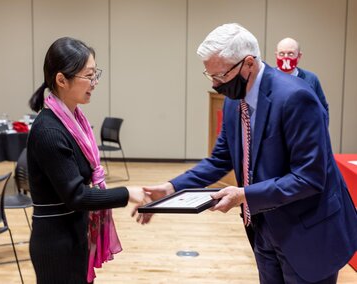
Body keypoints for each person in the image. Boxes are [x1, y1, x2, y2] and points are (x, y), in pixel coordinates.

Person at [136, 24, 357, 283]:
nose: (216, 84)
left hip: (308, 231)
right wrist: (172, 187)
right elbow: (220, 159)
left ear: (248, 63)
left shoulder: (296, 98)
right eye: (210, 76)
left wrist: (243, 195)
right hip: (264, 226)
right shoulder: (234, 102)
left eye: (220, 76)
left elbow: (309, 177)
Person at [27, 37, 145, 284]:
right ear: (61, 80)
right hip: (56, 243)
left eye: (95, 74)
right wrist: (127, 193)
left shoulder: (74, 122)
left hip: (73, 233)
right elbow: (77, 195)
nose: (95, 83)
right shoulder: (49, 130)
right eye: (89, 76)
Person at [275, 37, 329, 115]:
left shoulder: (311, 79)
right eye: (282, 54)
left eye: (290, 54)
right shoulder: (267, 78)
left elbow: (323, 110)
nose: (286, 57)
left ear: (299, 56)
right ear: (276, 55)